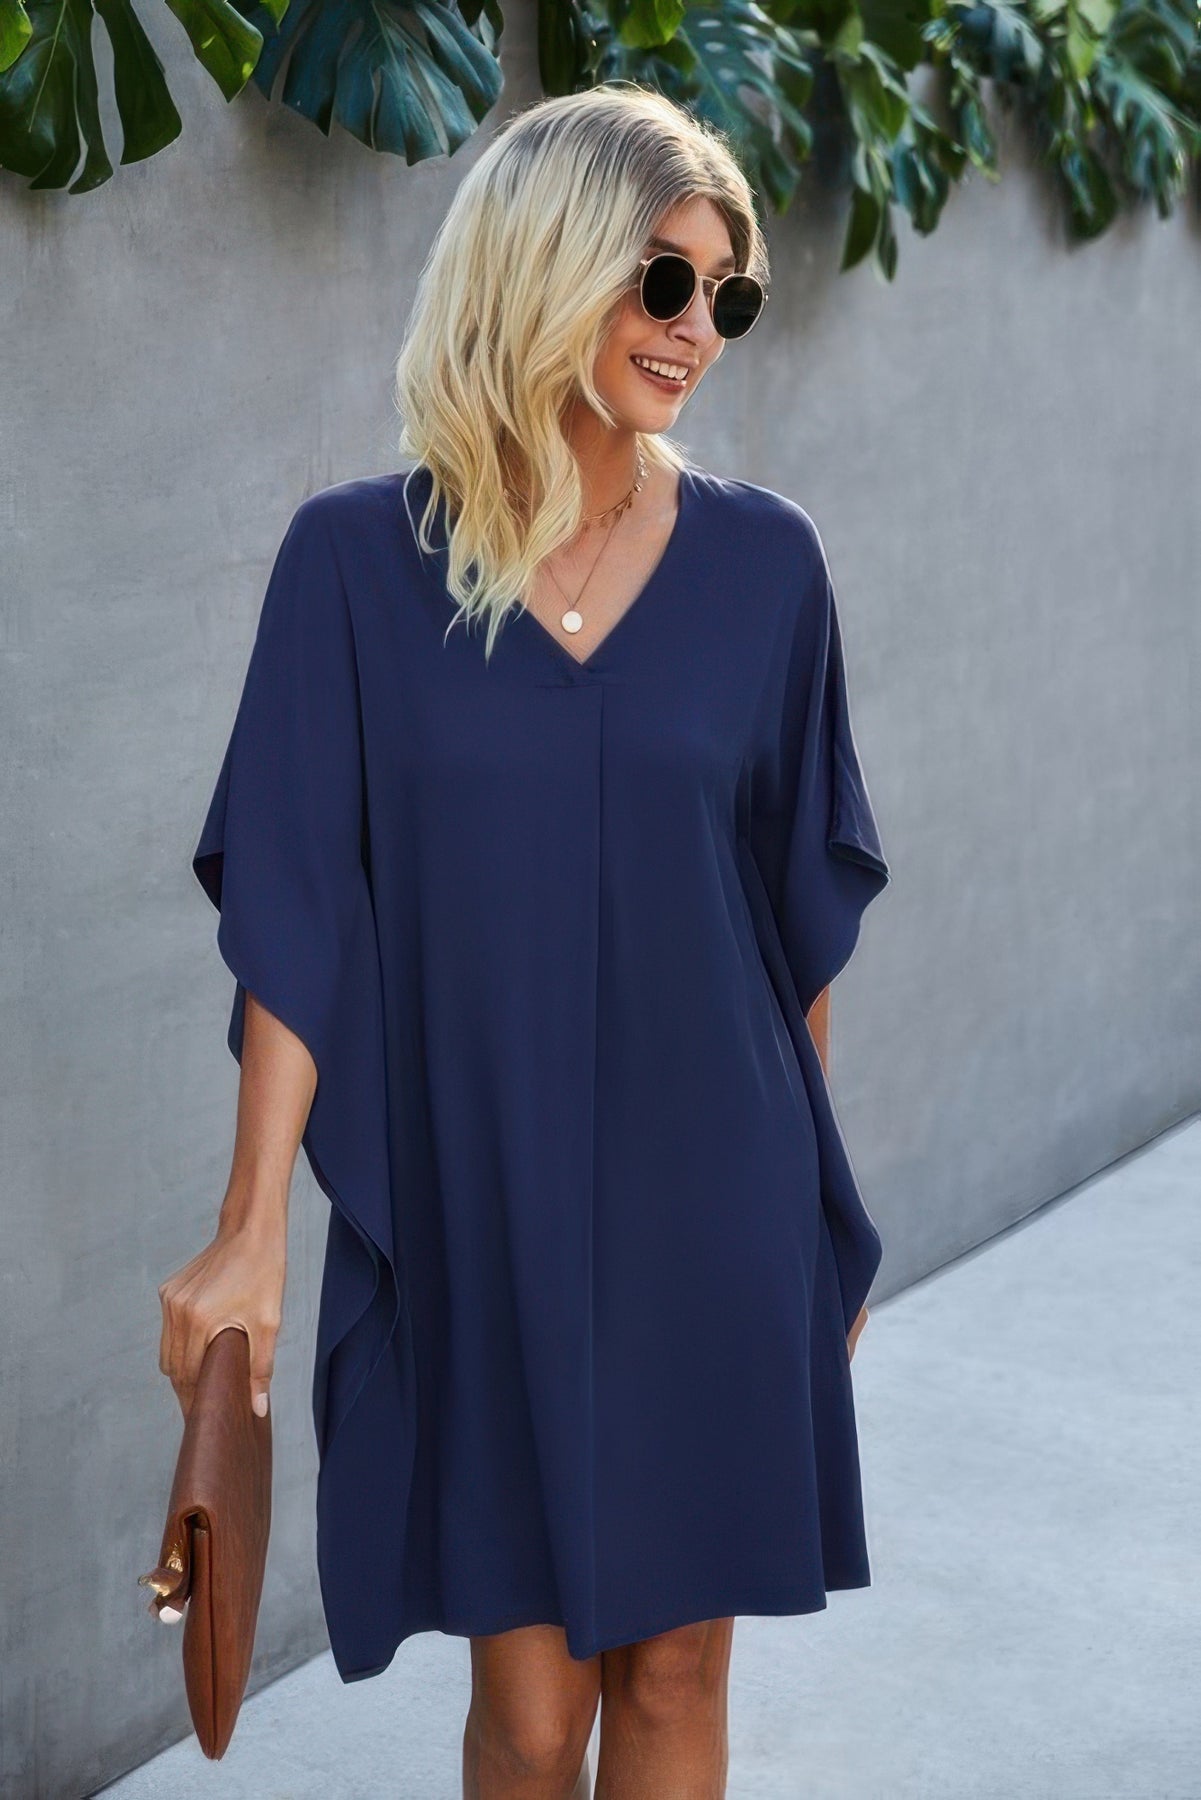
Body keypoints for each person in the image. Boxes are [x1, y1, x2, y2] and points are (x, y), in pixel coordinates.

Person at [159, 81, 891, 1800]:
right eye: (662, 279)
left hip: (714, 1195)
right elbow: (297, 910)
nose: (696, 326)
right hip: (482, 1191)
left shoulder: (767, 568)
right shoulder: (354, 564)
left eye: (727, 294)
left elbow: (794, 925)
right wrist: (252, 1226)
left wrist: (812, 1225)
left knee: (676, 1669)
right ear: (544, 265)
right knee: (532, 1708)